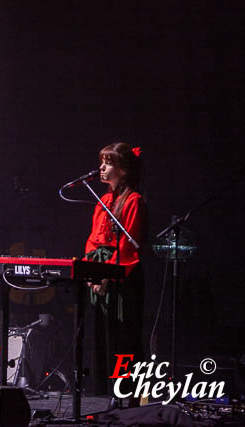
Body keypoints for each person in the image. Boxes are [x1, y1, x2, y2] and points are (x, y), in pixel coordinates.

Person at [83, 142, 146, 399]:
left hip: (122, 276)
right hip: (100, 271)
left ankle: (125, 393)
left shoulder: (134, 201)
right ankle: (100, 392)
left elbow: (128, 245)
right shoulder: (104, 200)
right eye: (102, 162)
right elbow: (93, 239)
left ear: (122, 169)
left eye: (107, 163)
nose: (101, 167)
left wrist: (107, 274)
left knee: (123, 334)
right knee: (100, 334)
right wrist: (90, 270)